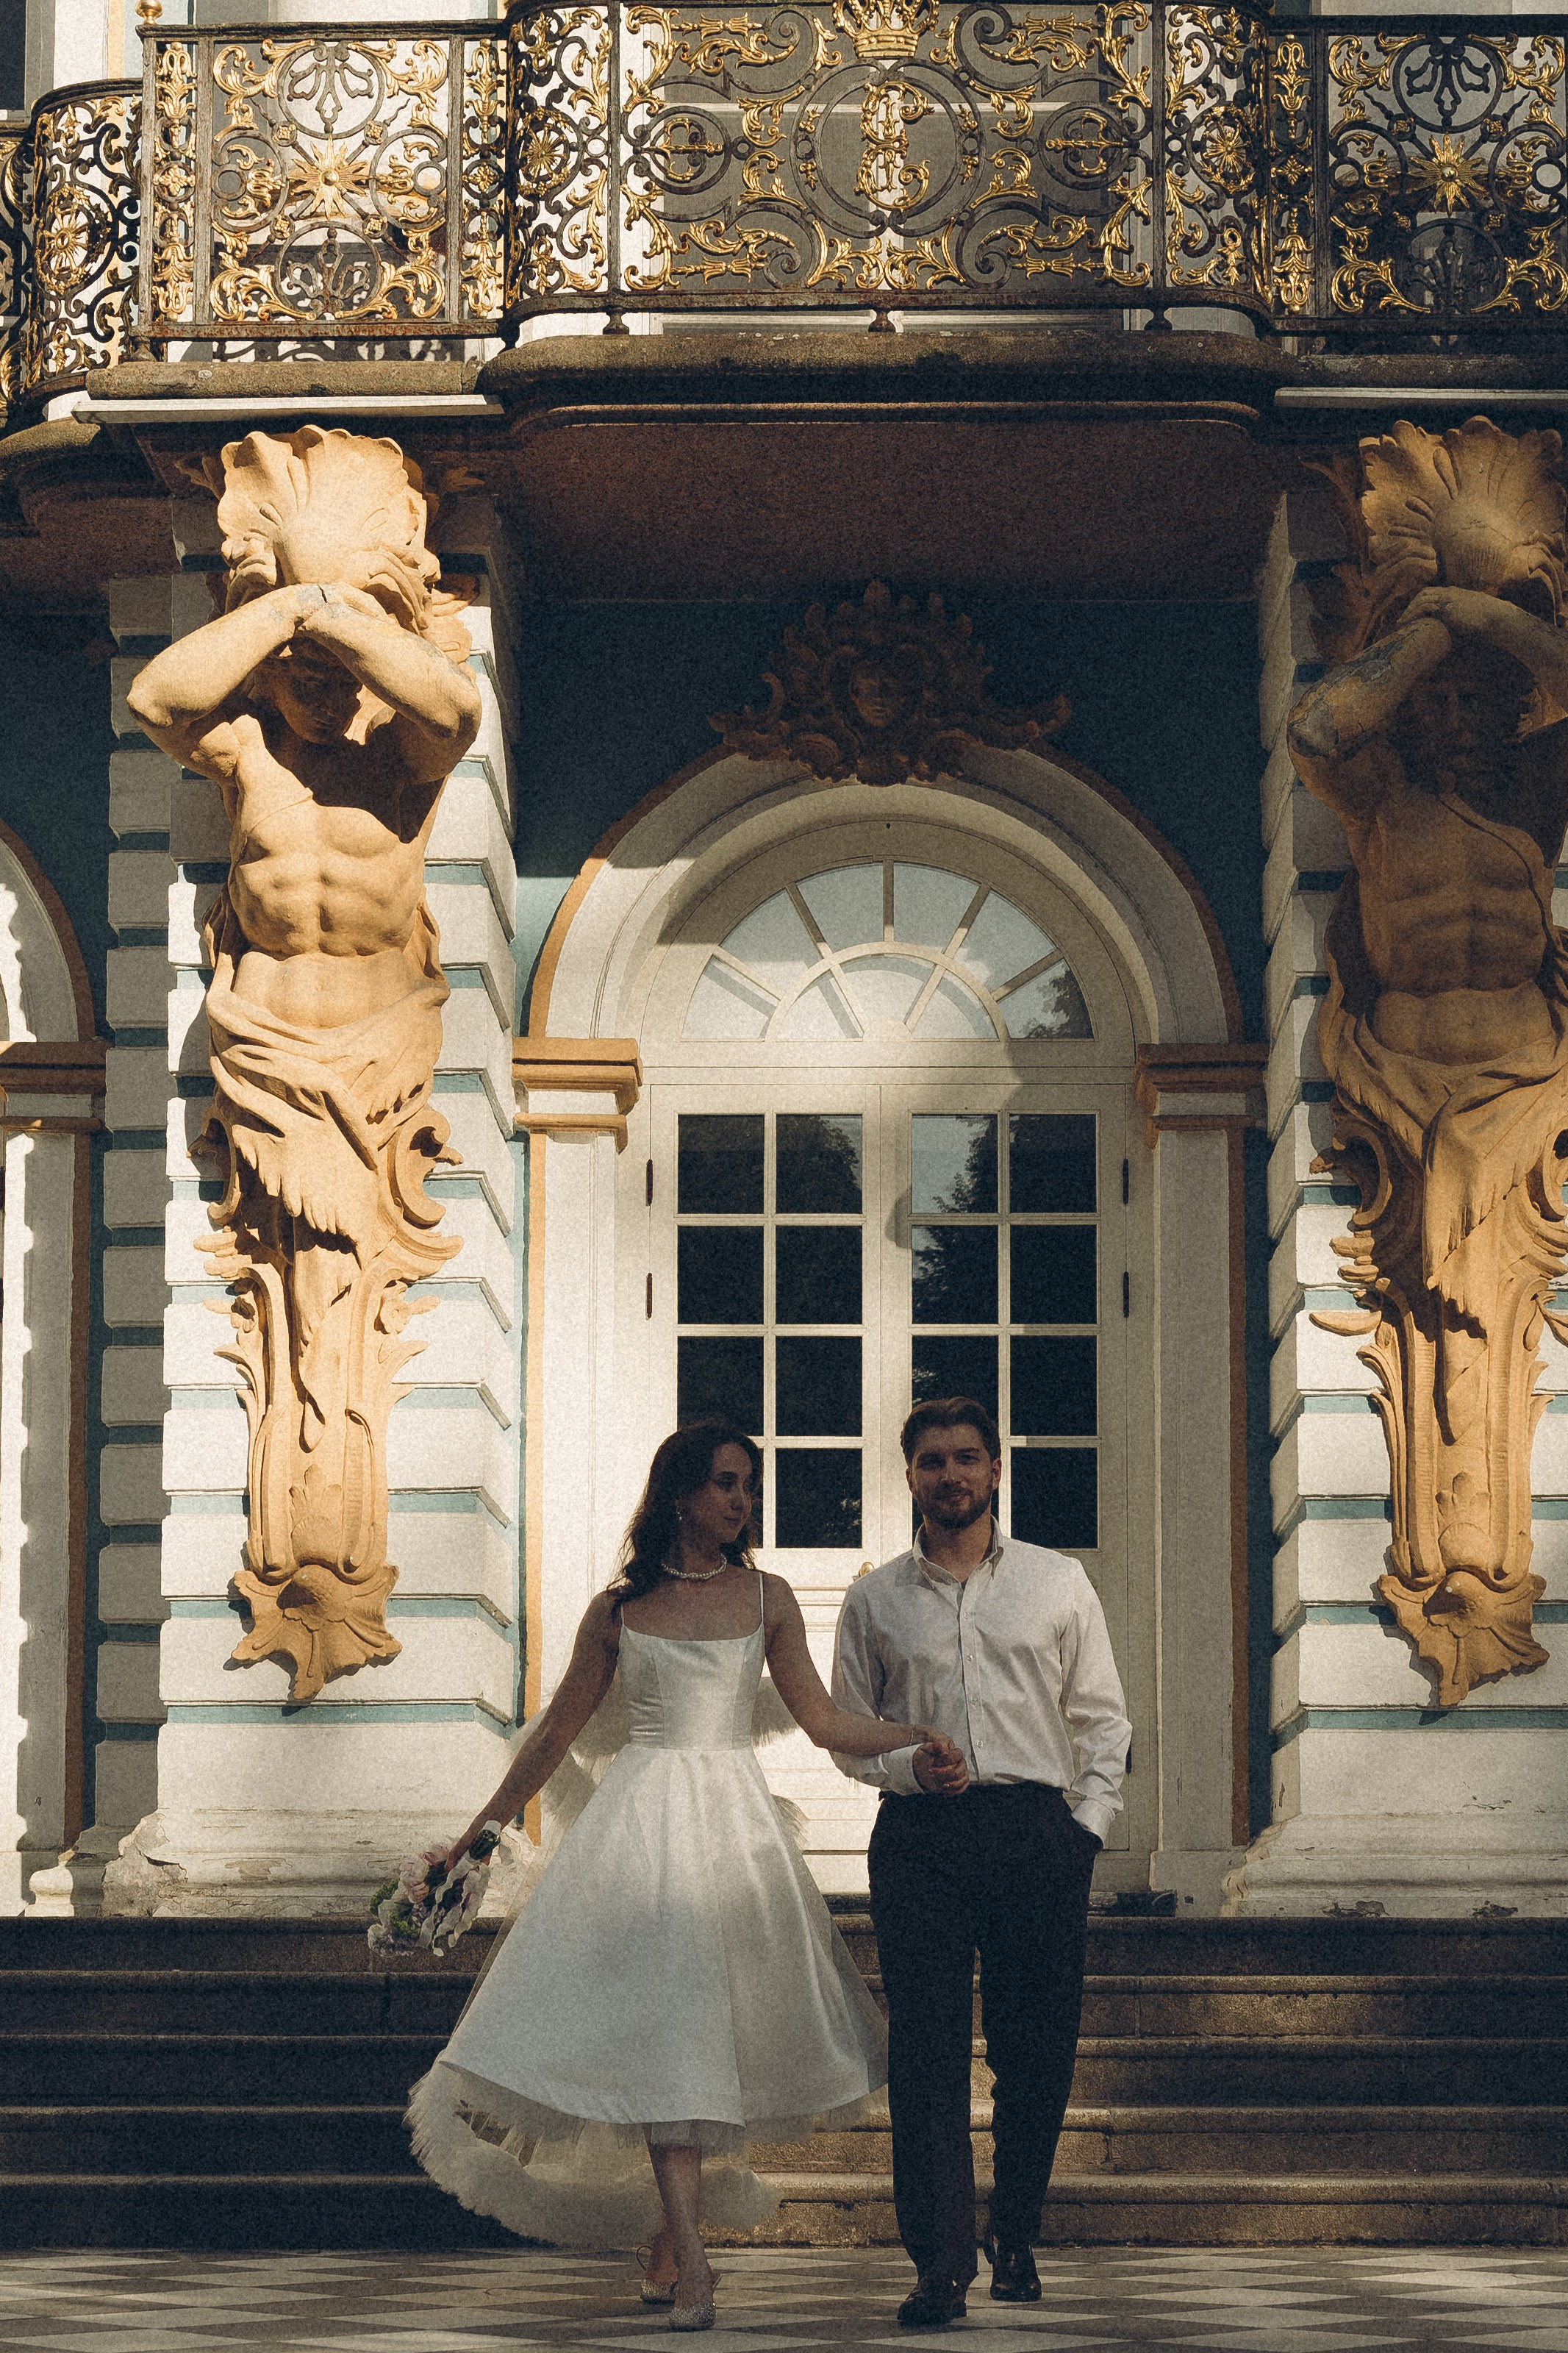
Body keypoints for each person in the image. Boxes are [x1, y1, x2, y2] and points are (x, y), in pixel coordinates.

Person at [407, 1420, 962, 2331]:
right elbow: (552, 1735)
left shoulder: (769, 1595)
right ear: (680, 1494)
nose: (743, 1499)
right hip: (639, 1831)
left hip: (732, 1836)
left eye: (749, 1484)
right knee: (672, 2034)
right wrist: (474, 1840)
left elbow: (824, 1722)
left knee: (703, 2038)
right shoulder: (618, 1609)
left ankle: (671, 2242)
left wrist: (911, 1733)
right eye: (726, 1482)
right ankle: (694, 2259)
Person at [831, 1397, 1130, 2329]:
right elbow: (847, 1731)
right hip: (922, 1839)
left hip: (1038, 1833)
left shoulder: (1057, 1580)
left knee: (1034, 2049)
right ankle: (939, 2262)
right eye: (932, 1460)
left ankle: (1018, 2230)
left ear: (996, 1470)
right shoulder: (874, 1597)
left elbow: (1102, 1715)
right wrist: (900, 1764)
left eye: (967, 1457)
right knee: (925, 2054)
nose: (950, 1474)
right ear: (910, 1475)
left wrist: (1087, 1825)